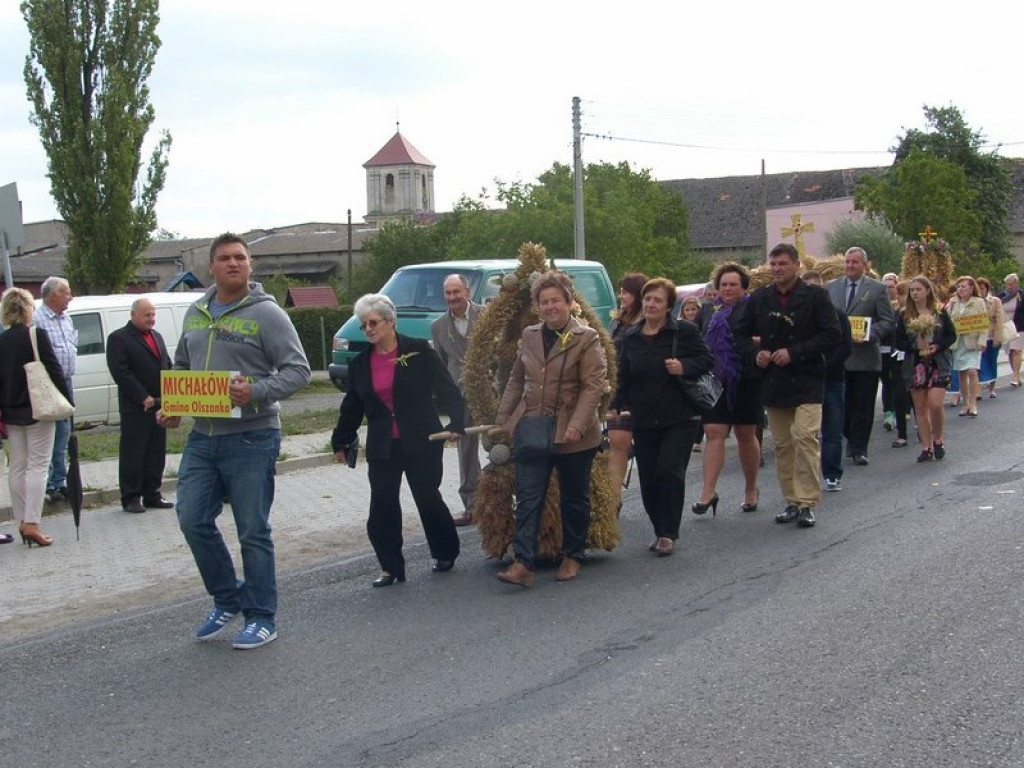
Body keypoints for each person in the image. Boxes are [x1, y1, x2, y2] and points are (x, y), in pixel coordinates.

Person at [159, 233, 311, 650]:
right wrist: (172, 405)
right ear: (212, 266)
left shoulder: (268, 314)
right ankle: (228, 598)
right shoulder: (196, 312)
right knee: (191, 519)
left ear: (250, 265)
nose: (233, 264)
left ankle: (262, 616)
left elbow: (298, 371)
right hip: (203, 438)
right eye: (225, 258)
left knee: (252, 531)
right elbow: (182, 367)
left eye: (240, 258)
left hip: (252, 436)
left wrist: (256, 392)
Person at [334, 293, 466, 588]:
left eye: (373, 323)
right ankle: (390, 567)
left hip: (421, 439)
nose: (368, 329)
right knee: (382, 505)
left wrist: (458, 423)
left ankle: (445, 552)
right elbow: (352, 405)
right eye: (363, 324)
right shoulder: (360, 364)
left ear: (390, 322)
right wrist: (341, 440)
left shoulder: (418, 351)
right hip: (383, 445)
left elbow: (447, 389)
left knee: (427, 498)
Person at [495, 271, 607, 585]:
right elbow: (517, 379)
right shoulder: (530, 335)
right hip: (534, 426)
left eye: (556, 300)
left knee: (574, 497)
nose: (549, 307)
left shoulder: (586, 338)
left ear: (570, 303)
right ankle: (524, 563)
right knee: (529, 496)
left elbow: (592, 387)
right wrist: (504, 418)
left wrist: (577, 425)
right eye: (544, 302)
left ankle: (573, 555)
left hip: (573, 433)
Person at [733, 243, 840, 528]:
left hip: (807, 377)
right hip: (774, 380)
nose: (777, 269)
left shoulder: (815, 296)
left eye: (783, 263)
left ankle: (807, 502)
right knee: (783, 444)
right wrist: (756, 354)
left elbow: (832, 334)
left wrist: (795, 352)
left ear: (796, 265)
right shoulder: (760, 298)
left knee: (805, 436)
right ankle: (791, 500)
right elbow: (740, 334)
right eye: (774, 264)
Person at [612, 277, 713, 554]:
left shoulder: (684, 332)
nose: (651, 304)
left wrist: (684, 366)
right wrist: (614, 405)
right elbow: (623, 376)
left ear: (669, 305)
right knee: (649, 478)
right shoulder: (630, 337)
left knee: (669, 472)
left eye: (657, 300)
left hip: (679, 417)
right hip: (644, 418)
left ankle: (668, 533)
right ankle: (659, 528)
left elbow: (707, 360)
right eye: (647, 299)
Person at [0, 288, 72, 547]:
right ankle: (32, 522)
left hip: (10, 409)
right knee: (38, 466)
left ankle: (21, 520)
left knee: (17, 465)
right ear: (29, 308)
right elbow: (54, 369)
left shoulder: (2, 339)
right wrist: (68, 403)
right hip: (38, 408)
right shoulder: (35, 334)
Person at [691, 263, 764, 512]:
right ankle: (707, 492)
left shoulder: (754, 308)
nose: (728, 288)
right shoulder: (710, 310)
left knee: (746, 434)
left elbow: (765, 336)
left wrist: (755, 342)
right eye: (724, 284)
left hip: (745, 378)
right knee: (713, 432)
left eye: (733, 284)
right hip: (714, 379)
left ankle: (751, 488)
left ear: (743, 287)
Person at [825, 247, 894, 466]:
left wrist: (871, 335)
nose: (850, 266)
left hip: (865, 357)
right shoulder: (831, 288)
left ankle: (859, 447)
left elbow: (887, 321)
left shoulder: (877, 289)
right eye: (847, 262)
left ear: (864, 265)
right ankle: (849, 436)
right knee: (841, 403)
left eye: (854, 262)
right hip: (839, 358)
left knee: (863, 404)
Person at [105, 298, 175, 514]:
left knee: (156, 451)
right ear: (133, 314)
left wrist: (172, 394)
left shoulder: (157, 336)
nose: (151, 319)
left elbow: (168, 365)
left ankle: (152, 493)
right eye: (147, 315)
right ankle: (131, 496)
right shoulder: (119, 338)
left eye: (153, 315)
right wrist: (141, 396)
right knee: (134, 452)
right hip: (136, 407)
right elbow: (121, 372)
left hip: (160, 404)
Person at [430, 274, 482, 527]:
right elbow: (439, 366)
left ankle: (504, 499)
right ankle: (472, 505)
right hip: (459, 395)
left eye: (456, 292)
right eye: (448, 293)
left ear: (468, 292)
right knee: (466, 450)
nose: (453, 298)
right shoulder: (438, 327)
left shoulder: (487, 317)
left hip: (488, 390)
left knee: (500, 445)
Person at [893, 276, 956, 462]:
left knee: (935, 404)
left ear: (927, 291)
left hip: (938, 363)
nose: (914, 293)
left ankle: (938, 438)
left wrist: (937, 345)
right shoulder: (905, 314)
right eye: (912, 290)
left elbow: (951, 336)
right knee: (920, 407)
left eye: (918, 289)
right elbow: (899, 341)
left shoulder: (939, 311)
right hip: (916, 364)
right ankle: (926, 446)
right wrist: (915, 346)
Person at [802, 270, 852, 492]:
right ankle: (805, 477)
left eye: (817, 287)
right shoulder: (797, 316)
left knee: (832, 429)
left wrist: (826, 366)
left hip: (832, 379)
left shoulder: (837, 314)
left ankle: (832, 473)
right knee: (805, 433)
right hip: (804, 380)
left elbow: (845, 346)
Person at [606, 272, 648, 511]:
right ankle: (613, 500)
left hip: (643, 390)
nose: (621, 295)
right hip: (619, 389)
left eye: (626, 291)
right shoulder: (617, 321)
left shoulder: (648, 321)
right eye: (620, 290)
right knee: (617, 442)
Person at [33, 276, 77, 504]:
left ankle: (60, 480)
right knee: (53, 433)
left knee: (65, 433)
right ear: (53, 295)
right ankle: (51, 483)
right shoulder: (36, 319)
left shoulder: (66, 319)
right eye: (66, 292)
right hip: (48, 383)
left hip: (66, 381)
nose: (70, 296)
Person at [947, 276, 987, 418]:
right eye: (958, 287)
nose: (960, 289)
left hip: (973, 341)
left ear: (971, 288)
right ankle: (965, 404)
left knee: (972, 371)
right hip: (958, 343)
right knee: (961, 373)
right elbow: (947, 320)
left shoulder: (979, 302)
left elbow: (983, 323)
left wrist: (983, 340)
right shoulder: (953, 302)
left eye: (964, 286)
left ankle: (973, 403)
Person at [678, 294, 706, 454]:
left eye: (693, 309)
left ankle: (697, 438)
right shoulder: (679, 326)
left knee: (699, 403)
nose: (690, 313)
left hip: (695, 368)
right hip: (682, 368)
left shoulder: (701, 326)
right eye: (687, 310)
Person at [879, 273, 900, 431]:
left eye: (891, 287)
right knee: (886, 381)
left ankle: (902, 411)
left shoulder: (902, 305)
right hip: (881, 349)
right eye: (885, 287)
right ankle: (888, 413)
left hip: (897, 349)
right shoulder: (878, 302)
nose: (888, 290)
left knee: (898, 382)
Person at [976, 277, 1003, 399]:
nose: (980, 290)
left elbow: (999, 320)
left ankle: (992, 387)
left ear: (987, 288)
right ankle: (978, 389)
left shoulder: (995, 301)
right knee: (980, 364)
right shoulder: (974, 302)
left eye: (982, 288)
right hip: (979, 338)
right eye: (978, 288)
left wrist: (998, 338)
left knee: (992, 362)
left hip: (992, 336)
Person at [999, 273, 1024, 387]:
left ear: (1016, 283)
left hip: (1019, 326)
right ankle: (1016, 374)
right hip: (1006, 327)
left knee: (1016, 350)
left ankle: (1015, 376)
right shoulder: (1001, 296)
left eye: (1011, 284)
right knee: (1010, 352)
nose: (1009, 286)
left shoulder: (1022, 295)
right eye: (1007, 284)